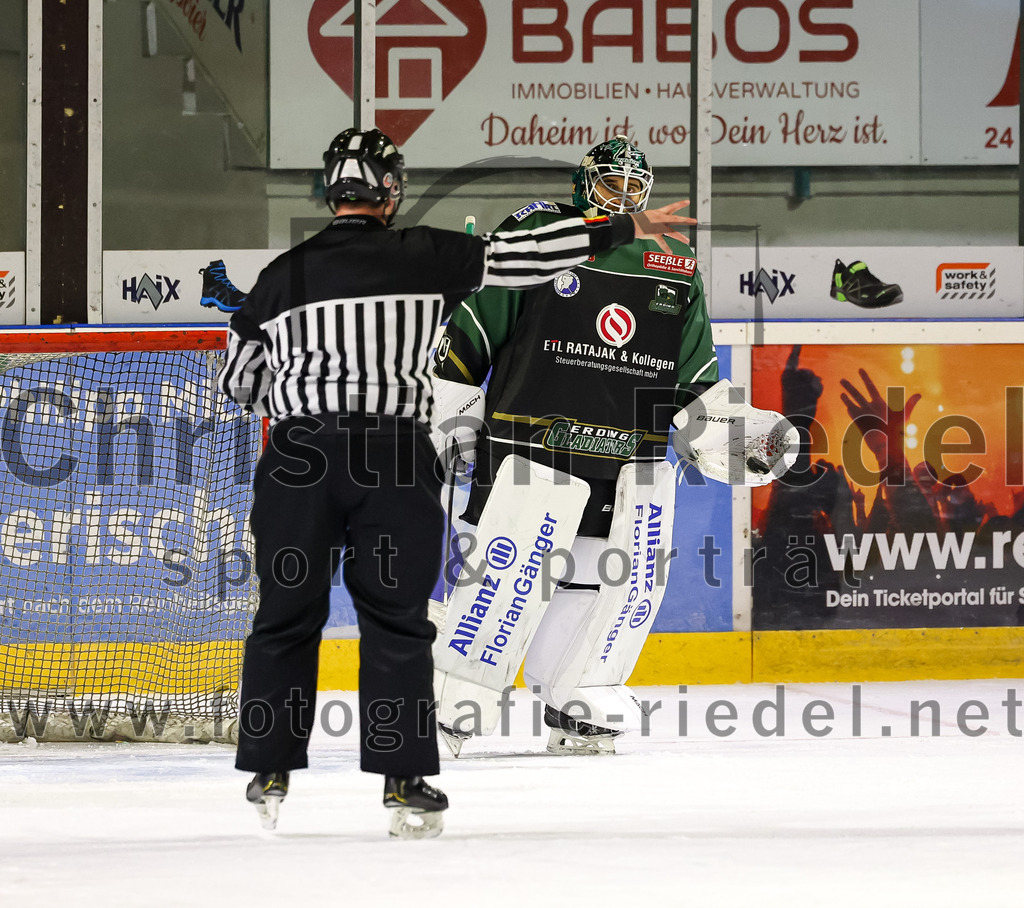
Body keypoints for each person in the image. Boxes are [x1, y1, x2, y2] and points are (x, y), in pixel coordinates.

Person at [217, 127, 701, 837]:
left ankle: (269, 769)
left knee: (286, 614)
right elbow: (527, 255)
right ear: (392, 191)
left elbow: (240, 380)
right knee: (397, 623)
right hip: (393, 454)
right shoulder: (424, 256)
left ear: (329, 192)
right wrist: (625, 227)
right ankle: (404, 781)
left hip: (301, 458)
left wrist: (303, 413)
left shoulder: (279, 276)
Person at [429, 135, 797, 757]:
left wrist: (736, 438)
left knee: (611, 581)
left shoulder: (673, 266)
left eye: (634, 189)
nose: (623, 197)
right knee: (502, 572)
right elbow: (471, 331)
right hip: (525, 450)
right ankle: (450, 698)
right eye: (610, 184)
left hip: (625, 460)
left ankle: (580, 694)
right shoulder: (541, 234)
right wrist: (451, 418)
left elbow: (692, 380)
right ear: (583, 183)